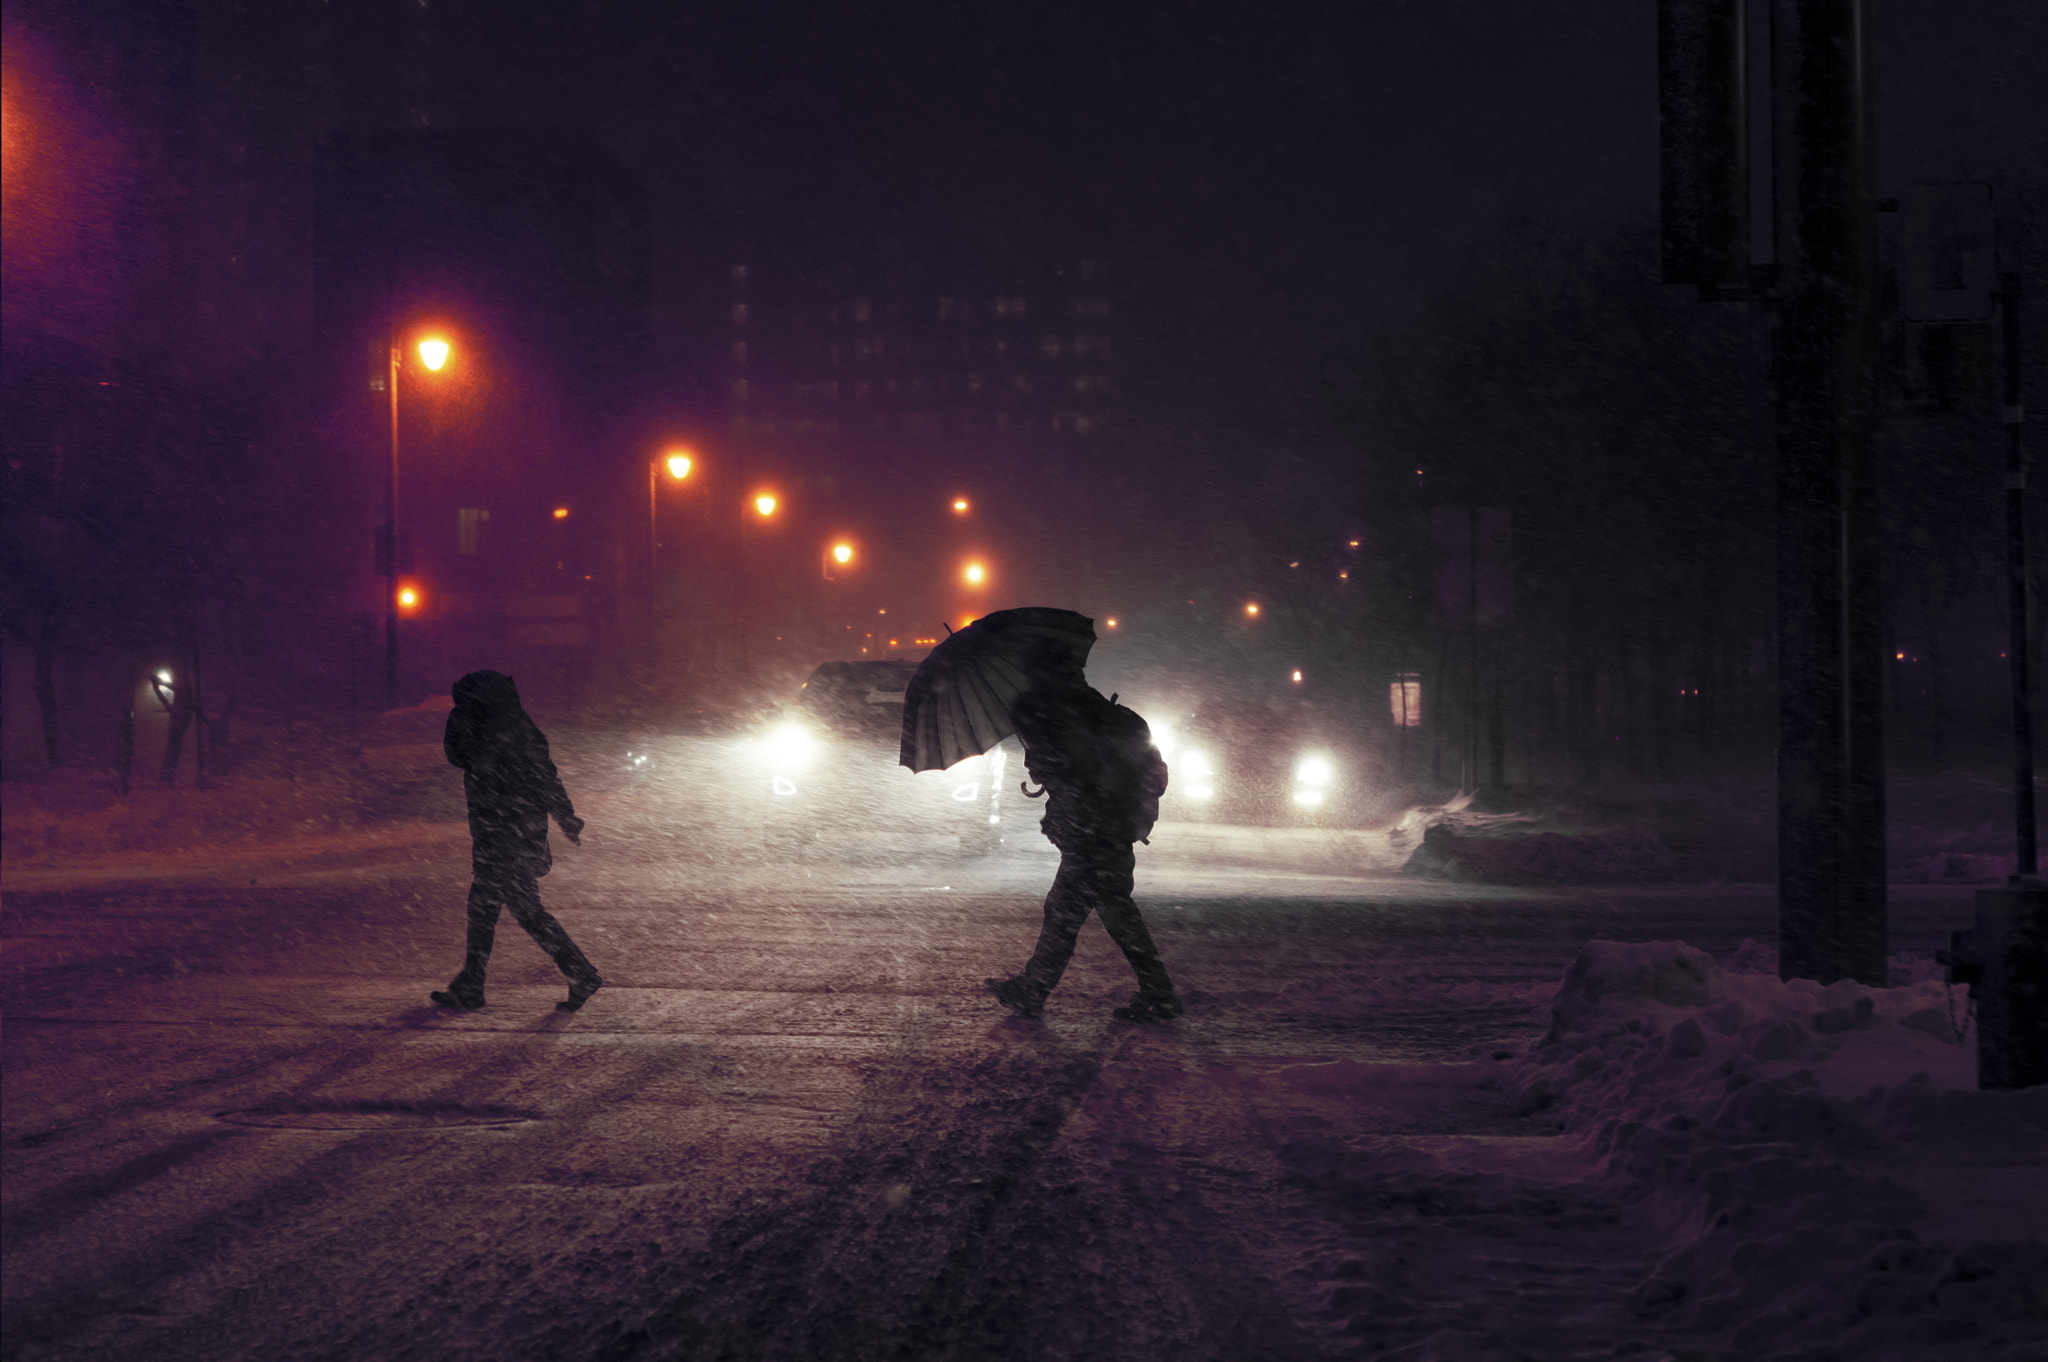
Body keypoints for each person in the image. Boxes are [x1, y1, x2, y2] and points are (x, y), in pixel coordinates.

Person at [984, 657, 1182, 1023]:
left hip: (1089, 840)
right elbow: (1157, 777)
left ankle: (1036, 991)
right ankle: (1157, 992)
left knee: (1077, 915)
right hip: (1115, 835)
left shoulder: (1059, 724)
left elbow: (1052, 771)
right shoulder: (1123, 719)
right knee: (1099, 916)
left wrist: (1045, 762)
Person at [430, 670, 602, 1013]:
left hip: (504, 835)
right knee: (498, 908)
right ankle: (475, 982)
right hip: (511, 831)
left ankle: (576, 971)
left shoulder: (490, 730)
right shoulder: (515, 726)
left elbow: (459, 753)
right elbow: (545, 776)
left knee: (503, 908)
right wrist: (565, 816)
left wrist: (565, 816)